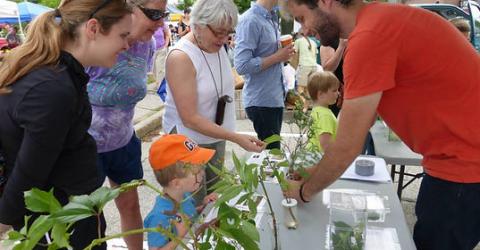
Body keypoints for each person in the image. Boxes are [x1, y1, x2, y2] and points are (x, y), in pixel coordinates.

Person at [285, 1, 480, 249]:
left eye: (302, 18)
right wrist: (313, 173)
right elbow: (354, 128)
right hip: (459, 159)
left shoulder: (370, 37)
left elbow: (347, 146)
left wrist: (304, 192)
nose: (303, 30)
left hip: (464, 166)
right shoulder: (382, 20)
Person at [0, 0, 131, 248]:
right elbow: (28, 173)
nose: (126, 45)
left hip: (73, 211)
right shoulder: (52, 88)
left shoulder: (61, 73)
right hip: (58, 223)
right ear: (93, 29)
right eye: (122, 35)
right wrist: (3, 224)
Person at [163, 0, 265, 205]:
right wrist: (236, 137)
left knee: (214, 201)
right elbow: (190, 118)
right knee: (193, 207)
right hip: (188, 142)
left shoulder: (217, 46)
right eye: (218, 32)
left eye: (228, 32)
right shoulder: (181, 57)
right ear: (198, 24)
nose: (224, 38)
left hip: (215, 137)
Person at [85, 0, 167, 249]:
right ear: (128, 8)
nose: (161, 22)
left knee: (131, 205)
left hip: (123, 142)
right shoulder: (96, 43)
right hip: (87, 146)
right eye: (154, 14)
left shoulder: (148, 45)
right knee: (90, 217)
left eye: (164, 14)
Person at [234, 0, 295, 149]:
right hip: (262, 100)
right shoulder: (250, 20)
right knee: (271, 157)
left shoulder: (271, 17)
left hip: (273, 98)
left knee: (271, 155)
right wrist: (277, 57)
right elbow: (241, 65)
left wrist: (282, 55)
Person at [144, 134, 218, 250]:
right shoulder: (159, 217)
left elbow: (189, 215)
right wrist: (180, 237)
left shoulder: (184, 195)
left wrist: (203, 207)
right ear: (177, 183)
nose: (203, 173)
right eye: (198, 171)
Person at [306, 71, 339, 153]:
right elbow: (325, 143)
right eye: (334, 91)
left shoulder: (316, 110)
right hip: (320, 158)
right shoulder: (325, 115)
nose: (338, 93)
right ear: (321, 94)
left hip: (311, 155)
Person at [294, 30, 318, 99]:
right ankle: (306, 106)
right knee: (307, 88)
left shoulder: (298, 41)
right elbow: (315, 55)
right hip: (314, 66)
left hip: (304, 66)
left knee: (300, 87)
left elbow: (295, 55)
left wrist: (294, 67)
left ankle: (302, 103)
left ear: (300, 34)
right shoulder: (314, 42)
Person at [152, 17, 171, 89]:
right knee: (154, 68)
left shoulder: (163, 24)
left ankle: (160, 85)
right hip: (152, 50)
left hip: (161, 49)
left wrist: (166, 45)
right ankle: (157, 82)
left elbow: (167, 34)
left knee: (160, 67)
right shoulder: (150, 24)